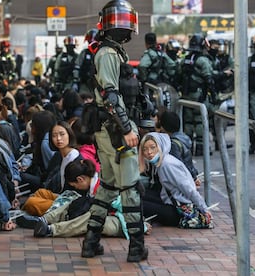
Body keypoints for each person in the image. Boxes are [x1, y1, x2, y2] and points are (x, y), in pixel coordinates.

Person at [80, 0, 147, 263]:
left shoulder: (111, 51)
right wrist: (127, 128)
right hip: (115, 130)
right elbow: (110, 95)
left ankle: (91, 242)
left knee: (108, 185)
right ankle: (137, 246)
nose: (126, 25)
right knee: (129, 187)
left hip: (109, 130)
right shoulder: (108, 53)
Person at [33, 159, 152, 238]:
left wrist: (142, 225)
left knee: (92, 218)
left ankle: (51, 230)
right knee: (74, 202)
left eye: (75, 185)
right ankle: (45, 219)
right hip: (109, 217)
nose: (77, 188)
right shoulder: (95, 185)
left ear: (80, 179)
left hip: (119, 222)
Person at [139, 132, 212, 228]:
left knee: (139, 203)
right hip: (172, 203)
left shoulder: (167, 164)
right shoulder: (161, 162)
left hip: (180, 212)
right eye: (145, 149)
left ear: (160, 146)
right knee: (139, 195)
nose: (149, 152)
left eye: (153, 147)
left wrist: (204, 209)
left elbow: (188, 189)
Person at [21, 121, 82, 216]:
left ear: (69, 135)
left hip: (71, 203)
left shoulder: (75, 159)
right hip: (63, 196)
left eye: (62, 134)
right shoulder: (61, 156)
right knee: (40, 193)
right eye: (54, 135)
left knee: (31, 202)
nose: (58, 139)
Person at [181, 33, 216, 156]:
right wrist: (213, 95)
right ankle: (201, 148)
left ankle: (187, 148)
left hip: (186, 95)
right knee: (200, 121)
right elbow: (209, 78)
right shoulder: (202, 60)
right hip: (199, 95)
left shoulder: (185, 59)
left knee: (188, 123)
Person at [159, 110, 200, 188]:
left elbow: (178, 167)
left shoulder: (173, 144)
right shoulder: (183, 138)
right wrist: (194, 177)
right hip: (189, 177)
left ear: (164, 127)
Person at [72, 29, 98, 93]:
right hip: (85, 84)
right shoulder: (84, 53)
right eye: (90, 42)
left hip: (99, 85)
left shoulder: (102, 53)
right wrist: (75, 81)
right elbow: (77, 67)